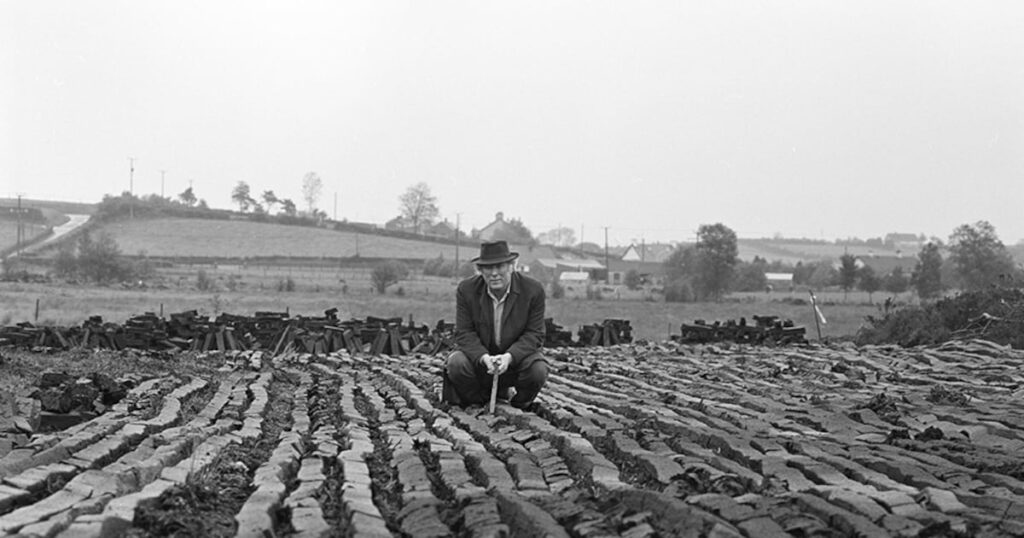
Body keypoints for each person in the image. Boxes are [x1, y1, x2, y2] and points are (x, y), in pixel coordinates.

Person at [441, 240, 548, 410]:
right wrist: (484, 358)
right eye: (488, 268)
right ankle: (479, 402)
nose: (494, 273)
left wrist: (509, 357)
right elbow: (464, 333)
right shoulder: (466, 290)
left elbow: (534, 334)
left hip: (516, 361)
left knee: (538, 370)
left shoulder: (533, 290)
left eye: (500, 267)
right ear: (480, 270)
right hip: (482, 363)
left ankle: (520, 405)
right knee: (456, 363)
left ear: (512, 266)